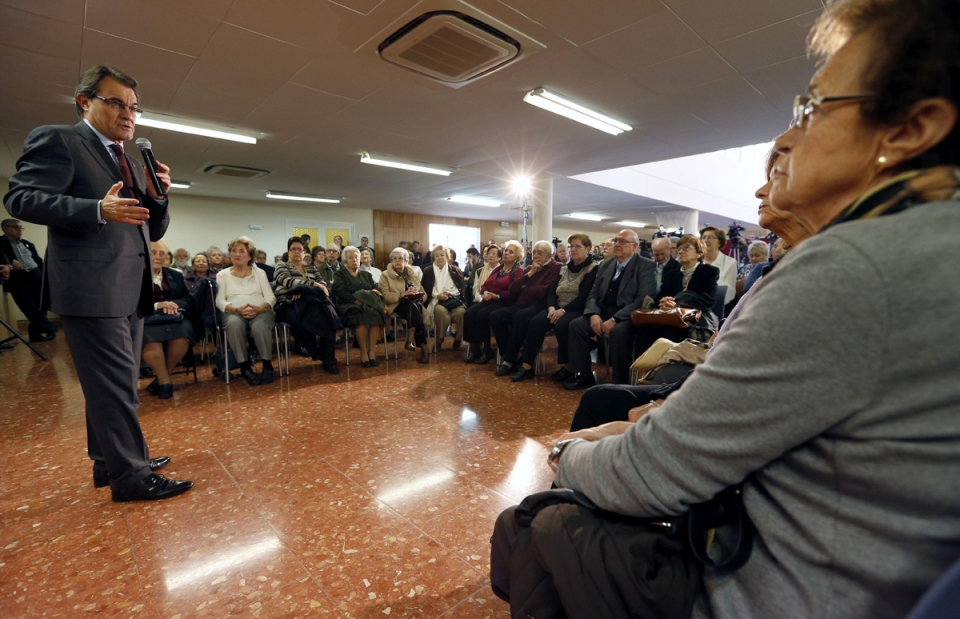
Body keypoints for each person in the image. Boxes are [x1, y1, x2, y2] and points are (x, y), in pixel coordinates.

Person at [529, 2, 960, 616]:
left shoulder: (855, 264)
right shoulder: (925, 242)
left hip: (773, 592)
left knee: (533, 523)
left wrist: (566, 455)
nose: (784, 139)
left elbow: (659, 471)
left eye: (810, 110)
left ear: (910, 128)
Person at [3, 64, 191, 502]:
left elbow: (152, 229)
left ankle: (111, 461)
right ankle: (132, 475)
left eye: (133, 107)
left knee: (118, 383)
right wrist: (96, 210)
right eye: (116, 102)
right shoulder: (61, 139)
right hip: (92, 286)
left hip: (131, 286)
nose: (128, 113)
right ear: (85, 102)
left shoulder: (125, 159)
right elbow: (20, 197)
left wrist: (158, 195)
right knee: (111, 383)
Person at [562, 230, 657, 389]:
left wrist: (615, 319)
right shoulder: (606, 264)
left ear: (634, 247)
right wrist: (593, 314)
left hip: (628, 316)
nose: (617, 244)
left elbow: (643, 299)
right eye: (616, 241)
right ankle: (584, 375)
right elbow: (594, 293)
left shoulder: (646, 266)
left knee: (619, 332)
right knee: (576, 325)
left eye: (622, 241)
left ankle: (620, 383)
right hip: (603, 312)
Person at [621, 234, 719, 381]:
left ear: (699, 253)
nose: (681, 251)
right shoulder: (671, 274)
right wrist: (664, 301)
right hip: (670, 317)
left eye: (687, 248)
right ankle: (650, 374)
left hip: (696, 318)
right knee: (641, 334)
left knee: (669, 335)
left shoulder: (709, 272)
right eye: (679, 248)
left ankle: (663, 375)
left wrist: (680, 301)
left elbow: (708, 300)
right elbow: (660, 298)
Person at [515, 234, 598, 383]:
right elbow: (552, 291)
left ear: (588, 249)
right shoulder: (564, 269)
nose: (573, 249)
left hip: (577, 308)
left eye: (577, 246)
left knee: (562, 324)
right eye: (571, 246)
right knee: (535, 322)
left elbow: (585, 296)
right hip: (557, 307)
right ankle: (527, 366)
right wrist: (552, 307)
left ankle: (568, 367)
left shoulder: (592, 268)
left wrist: (563, 310)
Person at [490, 241, 563, 378]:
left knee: (520, 317)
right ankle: (511, 353)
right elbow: (513, 289)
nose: (535, 255)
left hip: (539, 306)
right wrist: (530, 274)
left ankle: (509, 361)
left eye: (540, 252)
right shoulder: (530, 268)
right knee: (496, 316)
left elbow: (543, 292)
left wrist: (525, 288)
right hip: (521, 304)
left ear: (550, 255)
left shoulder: (556, 267)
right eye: (534, 252)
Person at [216, 236, 276, 386]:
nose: (237, 254)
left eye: (242, 251)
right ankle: (244, 367)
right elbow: (219, 301)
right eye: (234, 251)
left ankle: (267, 365)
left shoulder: (259, 273)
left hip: (260, 310)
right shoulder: (222, 275)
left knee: (259, 326)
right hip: (234, 311)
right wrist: (236, 309)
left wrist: (261, 308)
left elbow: (270, 297)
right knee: (234, 325)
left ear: (250, 256)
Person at [273, 236, 339, 374]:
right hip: (288, 303)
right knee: (302, 318)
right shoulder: (282, 266)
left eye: (300, 249)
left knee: (328, 318)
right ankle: (316, 351)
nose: (297, 252)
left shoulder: (312, 268)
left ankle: (329, 360)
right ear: (288, 252)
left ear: (305, 252)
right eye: (293, 249)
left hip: (311, 302)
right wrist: (312, 285)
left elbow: (324, 285)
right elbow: (287, 281)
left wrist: (302, 290)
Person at [141, 240, 194, 400]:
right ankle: (165, 383)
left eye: (161, 253)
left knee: (183, 335)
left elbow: (187, 298)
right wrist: (158, 304)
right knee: (151, 340)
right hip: (147, 318)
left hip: (173, 317)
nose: (158, 256)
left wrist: (174, 304)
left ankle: (162, 378)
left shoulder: (175, 275)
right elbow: (131, 301)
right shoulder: (135, 274)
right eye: (153, 252)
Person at [463, 240, 523, 364]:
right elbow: (486, 284)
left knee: (482, 314)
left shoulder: (518, 271)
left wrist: (497, 295)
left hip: (504, 301)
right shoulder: (499, 268)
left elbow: (514, 292)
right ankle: (475, 348)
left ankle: (487, 349)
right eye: (506, 250)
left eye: (510, 252)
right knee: (469, 313)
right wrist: (484, 292)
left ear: (517, 257)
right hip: (489, 299)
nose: (506, 253)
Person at [0, 218, 57, 341]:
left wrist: (45, 275)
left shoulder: (27, 243)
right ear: (5, 228)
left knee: (41, 305)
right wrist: (10, 260)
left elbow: (38, 260)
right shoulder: (1, 242)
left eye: (21, 227)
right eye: (16, 227)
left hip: (36, 275)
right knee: (28, 306)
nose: (19, 230)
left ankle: (35, 335)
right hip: (18, 278)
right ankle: (50, 327)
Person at [333, 245, 384, 367]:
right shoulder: (340, 274)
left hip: (367, 304)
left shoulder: (366, 274)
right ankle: (363, 352)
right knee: (361, 315)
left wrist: (364, 297)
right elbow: (340, 292)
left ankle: (371, 352)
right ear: (345, 260)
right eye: (350, 258)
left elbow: (375, 290)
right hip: (348, 304)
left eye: (356, 257)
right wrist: (356, 299)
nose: (354, 260)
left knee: (375, 314)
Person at [379, 247, 429, 364]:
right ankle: (422, 347)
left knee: (414, 307)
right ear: (391, 261)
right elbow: (384, 295)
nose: (397, 261)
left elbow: (424, 294)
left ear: (407, 261)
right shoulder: (385, 275)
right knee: (416, 310)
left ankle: (411, 340)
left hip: (413, 305)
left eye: (401, 258)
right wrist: (402, 294)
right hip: (396, 305)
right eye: (394, 258)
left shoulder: (413, 274)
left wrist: (418, 295)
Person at [421, 243, 466, 351]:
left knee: (461, 312)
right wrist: (438, 295)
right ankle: (439, 339)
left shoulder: (455, 270)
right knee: (440, 312)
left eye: (442, 255)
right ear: (433, 258)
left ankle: (458, 338)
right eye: (436, 255)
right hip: (437, 300)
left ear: (447, 257)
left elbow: (461, 288)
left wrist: (450, 293)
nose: (439, 257)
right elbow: (425, 288)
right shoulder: (428, 270)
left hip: (454, 299)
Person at [699, 225, 737, 309]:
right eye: (703, 237)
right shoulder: (696, 261)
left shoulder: (730, 262)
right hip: (696, 305)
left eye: (711, 237)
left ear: (719, 242)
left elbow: (728, 292)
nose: (706, 240)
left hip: (719, 307)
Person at [466, 243, 500, 308]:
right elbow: (476, 289)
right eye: (489, 253)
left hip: (495, 300)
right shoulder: (479, 271)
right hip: (480, 298)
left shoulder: (501, 271)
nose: (490, 256)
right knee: (469, 313)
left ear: (499, 257)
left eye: (493, 254)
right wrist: (481, 299)